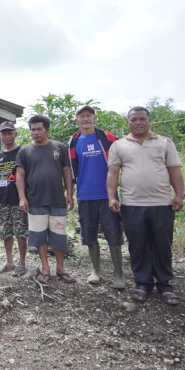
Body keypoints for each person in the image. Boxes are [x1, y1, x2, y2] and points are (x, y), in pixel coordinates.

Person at [106, 107, 184, 305]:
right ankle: (142, 283)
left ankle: (165, 285)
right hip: (132, 204)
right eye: (133, 120)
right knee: (137, 244)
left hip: (162, 203)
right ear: (128, 122)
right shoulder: (118, 145)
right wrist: (112, 197)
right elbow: (113, 172)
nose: (138, 123)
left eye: (142, 119)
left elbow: (174, 170)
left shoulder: (165, 142)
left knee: (162, 244)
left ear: (149, 121)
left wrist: (179, 195)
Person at [66, 106, 125, 288]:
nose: (85, 119)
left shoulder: (108, 138)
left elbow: (122, 161)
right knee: (89, 234)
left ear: (95, 118)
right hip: (85, 196)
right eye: (82, 116)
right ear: (76, 120)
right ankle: (96, 270)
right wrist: (70, 193)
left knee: (113, 234)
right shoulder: (73, 142)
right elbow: (70, 170)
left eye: (89, 115)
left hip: (108, 195)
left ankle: (118, 273)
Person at [16, 114, 74, 284]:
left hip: (57, 200)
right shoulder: (25, 151)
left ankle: (61, 268)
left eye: (39, 129)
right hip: (35, 201)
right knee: (40, 237)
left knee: (59, 235)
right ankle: (45, 267)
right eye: (33, 129)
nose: (36, 132)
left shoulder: (59, 148)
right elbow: (20, 175)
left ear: (47, 130)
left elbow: (66, 171)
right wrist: (22, 197)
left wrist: (69, 194)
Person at [0, 121, 28, 277]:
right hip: (2, 199)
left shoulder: (22, 152)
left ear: (15, 134)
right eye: (4, 133)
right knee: (6, 232)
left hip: (18, 199)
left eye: (10, 133)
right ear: (0, 135)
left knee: (21, 231)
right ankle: (9, 261)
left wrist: (24, 197)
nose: (7, 136)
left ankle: (22, 262)